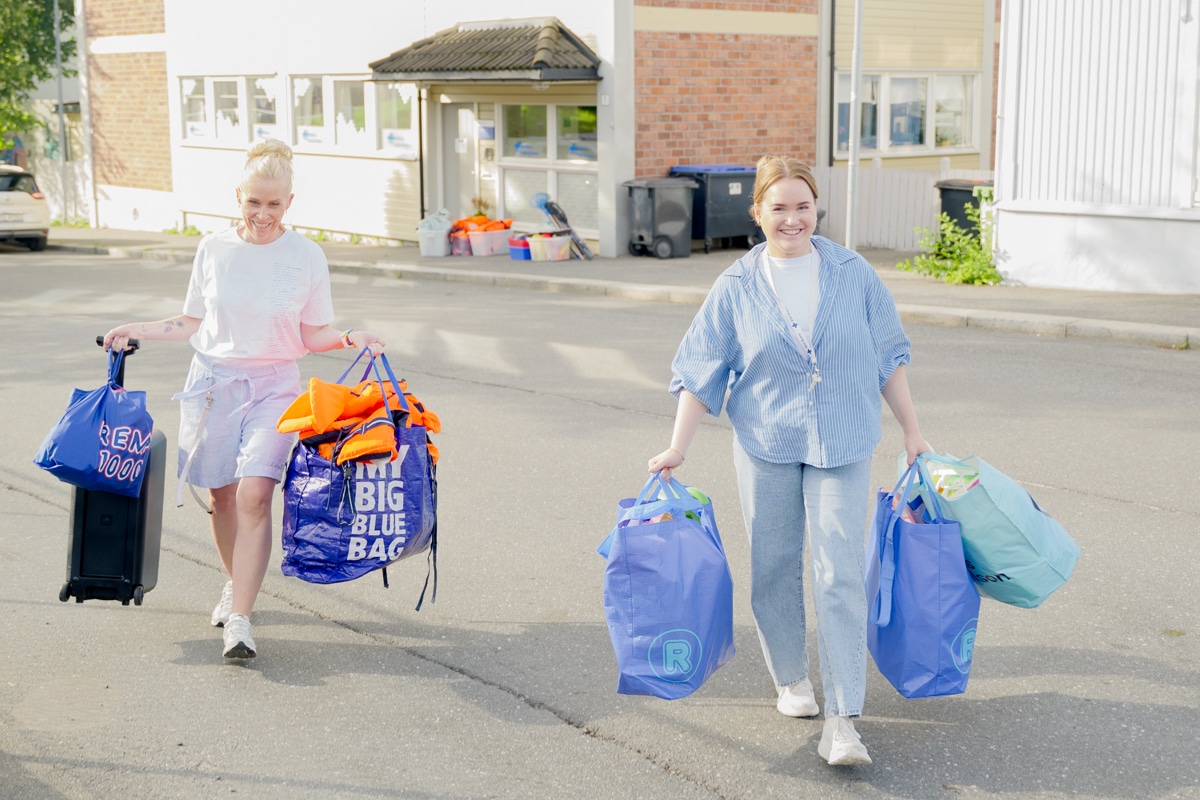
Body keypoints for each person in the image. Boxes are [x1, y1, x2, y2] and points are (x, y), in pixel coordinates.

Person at [647, 155, 931, 766]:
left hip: (843, 440)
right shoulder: (736, 286)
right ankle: (791, 678)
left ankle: (843, 721)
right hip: (766, 442)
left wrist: (912, 430)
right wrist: (678, 445)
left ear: (816, 207)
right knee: (774, 565)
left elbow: (889, 353)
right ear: (757, 212)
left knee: (838, 573)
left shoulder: (853, 273)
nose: (792, 218)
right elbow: (700, 369)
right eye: (778, 208)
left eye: (803, 206)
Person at [103, 139, 385, 661]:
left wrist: (350, 337)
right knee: (224, 498)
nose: (263, 214)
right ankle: (236, 583)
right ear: (239, 197)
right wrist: (133, 327)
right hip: (212, 384)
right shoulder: (213, 249)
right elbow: (191, 321)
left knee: (256, 493)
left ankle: (241, 620)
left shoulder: (305, 256)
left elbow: (313, 332)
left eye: (274, 205)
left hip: (275, 386)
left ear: (289, 203)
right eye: (254, 202)